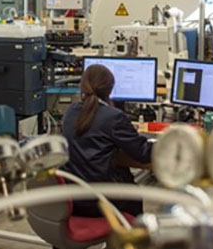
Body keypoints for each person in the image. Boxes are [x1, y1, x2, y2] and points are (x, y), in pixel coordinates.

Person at [62, 63, 152, 217]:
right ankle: (131, 238)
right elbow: (142, 153)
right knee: (134, 192)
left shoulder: (70, 111)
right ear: (110, 89)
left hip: (74, 199)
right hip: (102, 201)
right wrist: (167, 144)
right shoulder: (114, 117)